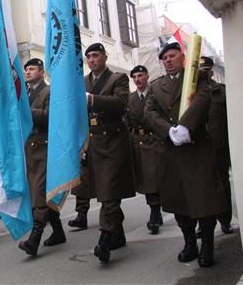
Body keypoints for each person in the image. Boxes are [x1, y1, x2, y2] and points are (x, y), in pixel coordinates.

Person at [144, 43, 227, 267]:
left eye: (172, 55)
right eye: (165, 58)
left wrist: (186, 126)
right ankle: (189, 242)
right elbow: (149, 112)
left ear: (183, 57)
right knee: (178, 200)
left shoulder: (197, 77)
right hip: (170, 150)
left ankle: (207, 244)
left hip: (196, 147)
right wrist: (168, 130)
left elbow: (203, 100)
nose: (168, 60)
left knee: (203, 199)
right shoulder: (156, 85)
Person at [83, 43, 136, 263]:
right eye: (89, 56)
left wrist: (92, 100)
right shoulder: (83, 82)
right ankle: (118, 233)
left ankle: (105, 240)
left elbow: (121, 104)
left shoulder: (118, 79)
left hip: (113, 140)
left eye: (96, 55)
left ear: (105, 57)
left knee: (110, 192)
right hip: (94, 141)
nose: (92, 59)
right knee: (105, 191)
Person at [18, 58, 67, 256]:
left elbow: (51, 116)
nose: (28, 72)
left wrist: (26, 112)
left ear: (41, 71)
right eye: (26, 69)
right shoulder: (25, 94)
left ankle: (35, 236)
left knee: (39, 191)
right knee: (38, 192)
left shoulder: (49, 91)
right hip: (29, 149)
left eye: (32, 69)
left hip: (45, 147)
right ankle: (58, 232)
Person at [127, 65, 164, 235]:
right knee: (147, 180)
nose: (137, 79)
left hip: (155, 140)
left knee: (154, 179)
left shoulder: (156, 93)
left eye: (140, 75)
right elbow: (127, 122)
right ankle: (155, 212)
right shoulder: (130, 98)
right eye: (134, 77)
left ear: (147, 76)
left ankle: (155, 214)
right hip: (139, 142)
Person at [200, 56, 233, 235]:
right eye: (200, 70)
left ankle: (225, 220)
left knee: (222, 185)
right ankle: (204, 224)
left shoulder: (222, 92)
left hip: (219, 147)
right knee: (201, 187)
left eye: (205, 70)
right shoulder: (191, 94)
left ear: (211, 72)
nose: (203, 73)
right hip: (198, 149)